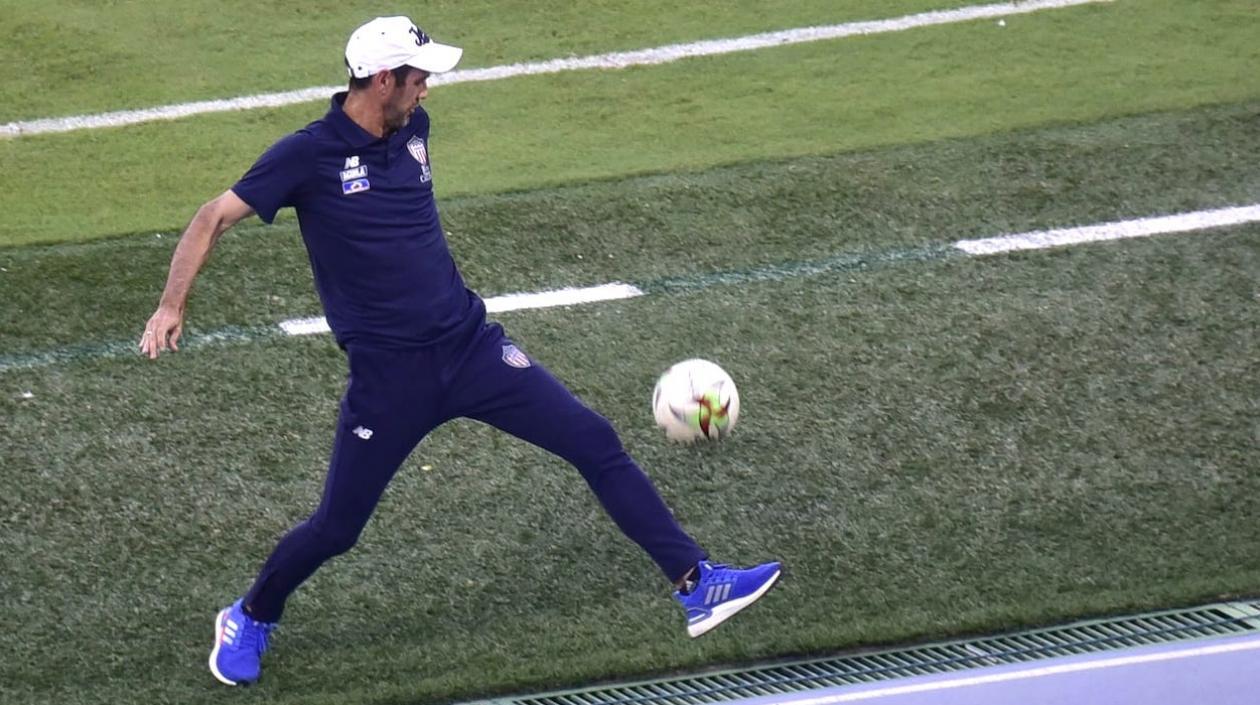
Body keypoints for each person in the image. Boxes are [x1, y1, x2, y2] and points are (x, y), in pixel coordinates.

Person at [140, 16, 781, 687]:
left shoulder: (412, 129)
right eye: (418, 79)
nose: (427, 91)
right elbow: (211, 216)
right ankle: (249, 614)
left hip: (472, 348)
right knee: (336, 527)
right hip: (391, 383)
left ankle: (696, 583)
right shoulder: (307, 155)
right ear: (382, 79)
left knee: (592, 438)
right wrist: (171, 304)